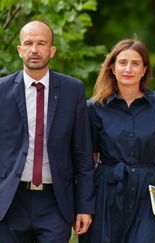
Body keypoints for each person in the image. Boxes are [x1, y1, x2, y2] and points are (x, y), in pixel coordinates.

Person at [0, 20, 94, 242]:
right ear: (19, 49)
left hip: (55, 201)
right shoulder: (1, 91)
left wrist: (85, 207)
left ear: (52, 50)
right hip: (10, 201)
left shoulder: (73, 90)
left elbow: (83, 153)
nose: (34, 50)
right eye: (29, 43)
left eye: (41, 43)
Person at [85, 39, 155, 242]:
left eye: (135, 63)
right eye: (122, 63)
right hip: (107, 190)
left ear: (144, 69)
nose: (128, 69)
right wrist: (85, 203)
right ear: (112, 68)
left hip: (147, 192)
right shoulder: (95, 107)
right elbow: (88, 159)